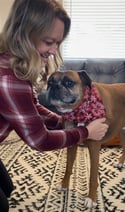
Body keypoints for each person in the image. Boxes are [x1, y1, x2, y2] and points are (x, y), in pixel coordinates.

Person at [0, 0, 108, 211]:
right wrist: (85, 131)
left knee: (7, 187)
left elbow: (32, 107)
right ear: (24, 34)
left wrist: (63, 122)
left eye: (58, 43)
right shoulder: (8, 78)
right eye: (49, 41)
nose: (54, 50)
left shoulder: (12, 63)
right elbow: (40, 140)